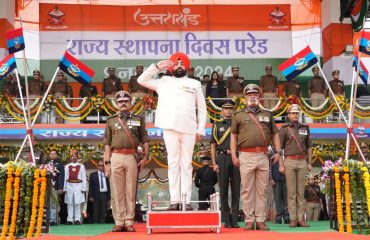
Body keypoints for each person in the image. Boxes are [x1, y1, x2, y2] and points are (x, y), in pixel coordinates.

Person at [138, 52, 207, 211]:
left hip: (189, 128)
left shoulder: (194, 83)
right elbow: (142, 80)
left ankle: (186, 201)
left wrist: (200, 130)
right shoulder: (163, 81)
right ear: (171, 67)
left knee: (187, 165)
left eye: (182, 64)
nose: (179, 66)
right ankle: (175, 201)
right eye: (176, 64)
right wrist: (156, 67)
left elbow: (202, 110)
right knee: (173, 163)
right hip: (169, 126)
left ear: (187, 67)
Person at [230, 84, 281, 231]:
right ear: (245, 97)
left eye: (255, 94)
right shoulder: (238, 115)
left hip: (263, 156)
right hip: (246, 155)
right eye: (249, 95)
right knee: (247, 189)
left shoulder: (268, 115)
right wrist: (234, 155)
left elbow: (275, 134)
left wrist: (278, 152)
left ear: (259, 97)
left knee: (262, 189)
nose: (252, 97)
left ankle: (260, 220)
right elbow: (233, 137)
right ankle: (249, 219)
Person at [103, 90, 149, 232]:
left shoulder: (138, 119)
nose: (123, 103)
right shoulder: (111, 120)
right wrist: (107, 163)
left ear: (130, 103)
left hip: (131, 157)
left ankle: (129, 221)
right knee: (117, 191)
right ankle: (119, 221)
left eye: (126, 101)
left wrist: (146, 157)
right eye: (120, 101)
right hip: (115, 157)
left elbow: (145, 139)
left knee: (130, 190)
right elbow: (107, 144)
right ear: (116, 104)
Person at [279, 104, 312, 228]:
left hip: (302, 161)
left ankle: (301, 219)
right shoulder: (284, 129)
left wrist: (309, 162)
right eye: (293, 113)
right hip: (289, 161)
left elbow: (309, 146)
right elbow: (280, 149)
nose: (295, 115)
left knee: (301, 192)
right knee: (291, 192)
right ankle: (293, 219)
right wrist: (281, 165)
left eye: (297, 113)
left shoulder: (305, 128)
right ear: (288, 115)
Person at [211, 99, 240, 228]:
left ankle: (235, 220)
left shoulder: (238, 124)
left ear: (233, 110)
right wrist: (213, 162)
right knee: (223, 190)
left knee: (236, 189)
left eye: (230, 108)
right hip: (222, 158)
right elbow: (213, 145)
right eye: (226, 108)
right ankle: (226, 220)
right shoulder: (217, 125)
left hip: (236, 158)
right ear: (222, 110)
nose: (228, 110)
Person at [63, 150, 87, 225]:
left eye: (75, 156)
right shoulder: (67, 166)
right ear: (70, 157)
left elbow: (84, 177)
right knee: (69, 202)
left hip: (78, 185)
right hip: (69, 185)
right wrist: (64, 188)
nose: (74, 158)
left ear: (77, 157)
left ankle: (77, 219)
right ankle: (69, 219)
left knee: (77, 203)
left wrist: (84, 188)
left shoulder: (81, 166)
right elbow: (65, 177)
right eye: (72, 156)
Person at [49, 150, 65, 225]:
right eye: (51, 154)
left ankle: (53, 220)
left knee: (54, 204)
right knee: (47, 204)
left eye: (54, 154)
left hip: (55, 187)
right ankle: (48, 219)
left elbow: (62, 177)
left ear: (57, 155)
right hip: (46, 187)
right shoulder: (46, 164)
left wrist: (61, 188)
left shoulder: (60, 165)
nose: (52, 155)